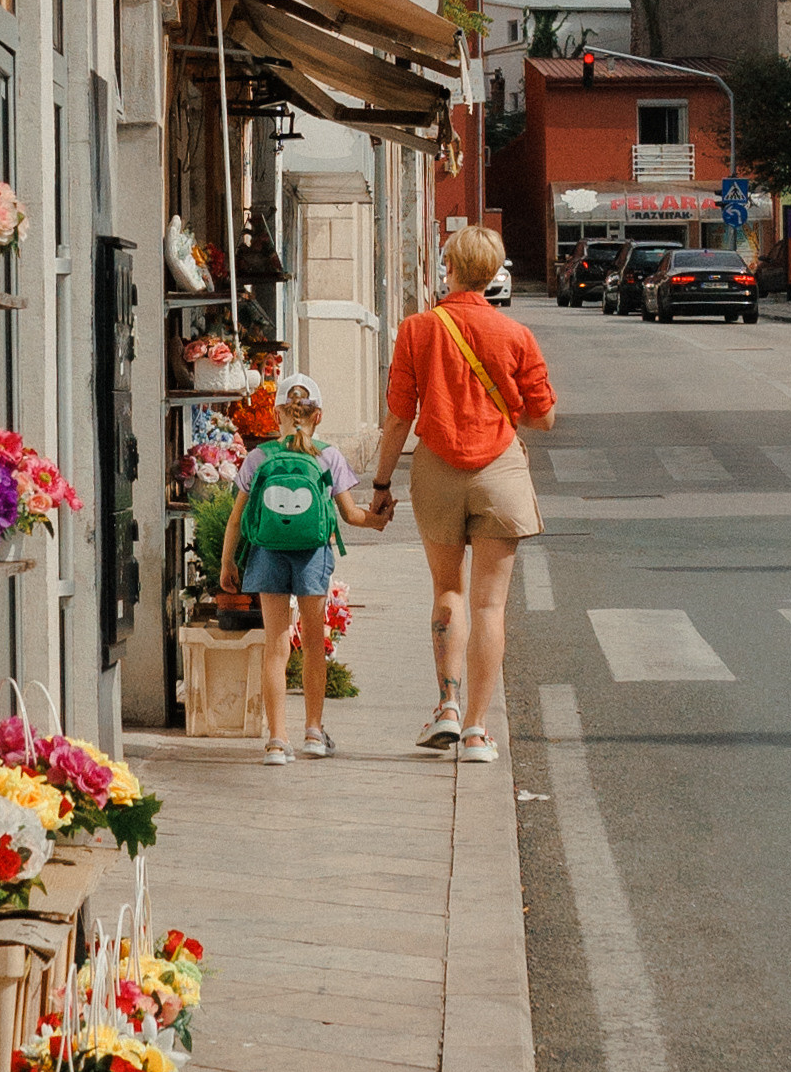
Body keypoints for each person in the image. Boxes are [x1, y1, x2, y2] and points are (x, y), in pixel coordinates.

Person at [369, 225, 557, 765]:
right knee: (490, 604)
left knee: (448, 591)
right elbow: (543, 417)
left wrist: (380, 484)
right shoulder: (516, 335)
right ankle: (477, 731)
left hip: (437, 470)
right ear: (495, 272)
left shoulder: (417, 330)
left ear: (446, 266)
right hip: (499, 471)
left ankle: (446, 707)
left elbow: (400, 415)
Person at [217, 377, 383, 768]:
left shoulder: (259, 457)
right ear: (318, 416)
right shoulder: (328, 457)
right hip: (312, 556)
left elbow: (237, 518)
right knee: (313, 644)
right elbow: (350, 515)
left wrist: (228, 562)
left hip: (267, 554)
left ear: (276, 413)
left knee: (275, 647)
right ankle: (313, 731)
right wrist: (377, 521)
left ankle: (277, 740)